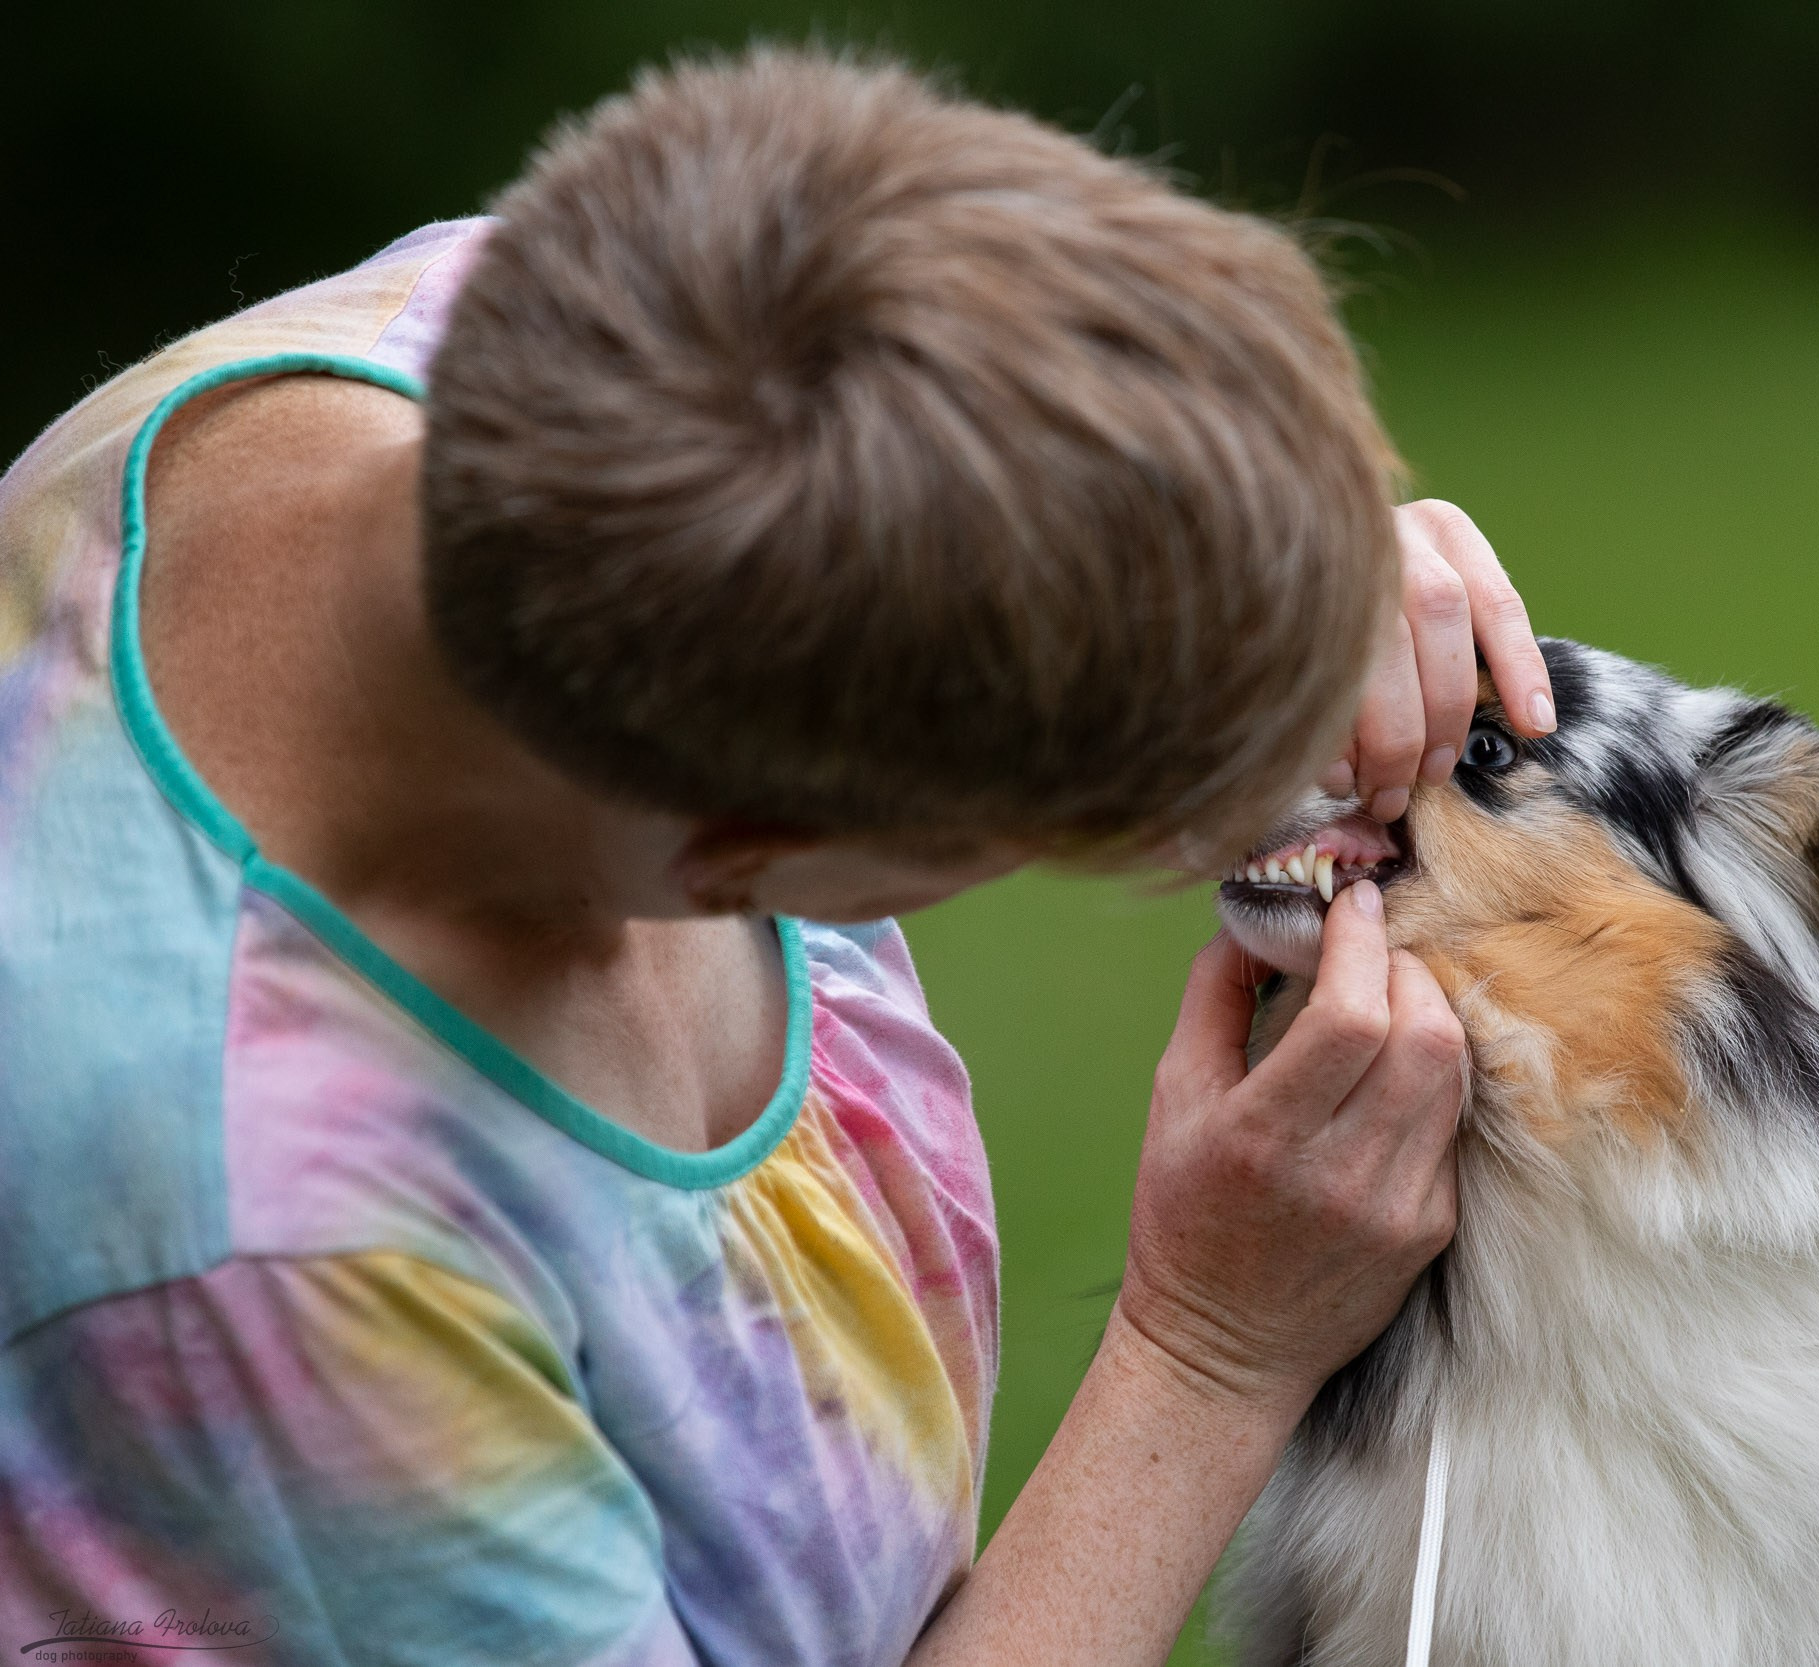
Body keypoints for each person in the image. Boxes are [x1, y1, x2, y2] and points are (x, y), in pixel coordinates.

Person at [0, 47, 1554, 1667]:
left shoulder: (609, 354)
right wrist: (1210, 1345)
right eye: (1076, 830)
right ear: (750, 846)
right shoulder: (273, 1255)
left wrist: (1253, 552)